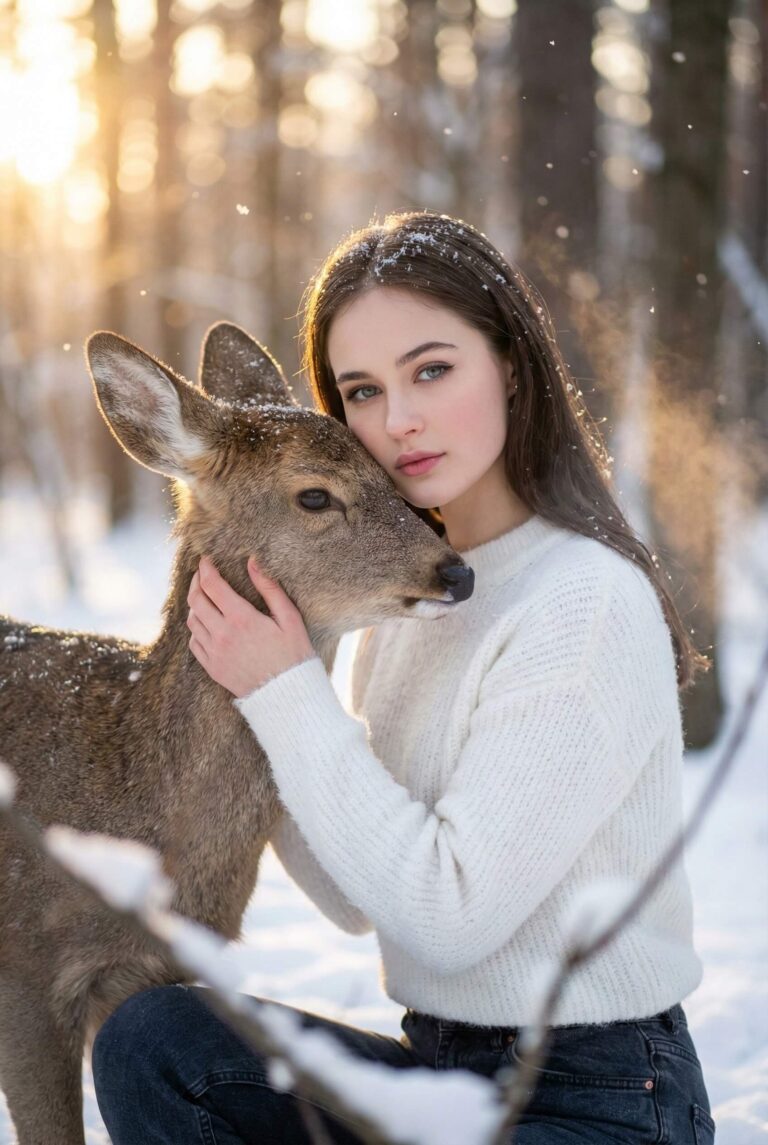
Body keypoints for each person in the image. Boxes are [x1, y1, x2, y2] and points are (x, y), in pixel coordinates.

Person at [92, 210, 715, 1144]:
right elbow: (354, 896)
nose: (399, 421)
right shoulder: (407, 593)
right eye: (362, 390)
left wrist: (285, 693)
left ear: (510, 365)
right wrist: (257, 687)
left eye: (431, 370)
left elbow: (447, 918)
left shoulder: (582, 601)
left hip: (601, 1099)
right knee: (157, 1041)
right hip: (441, 1075)